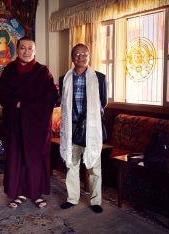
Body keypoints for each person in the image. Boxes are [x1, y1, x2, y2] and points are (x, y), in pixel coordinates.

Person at [0, 36, 59, 209]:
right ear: (17, 50)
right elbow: (3, 95)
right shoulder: (9, 71)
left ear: (35, 50)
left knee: (35, 158)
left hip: (37, 125)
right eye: (23, 48)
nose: (26, 51)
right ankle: (19, 193)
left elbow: (50, 98)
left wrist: (22, 104)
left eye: (30, 48)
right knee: (17, 158)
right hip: (16, 123)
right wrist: (15, 104)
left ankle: (36, 193)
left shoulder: (43, 72)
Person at [59, 43, 107, 213]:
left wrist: (91, 117)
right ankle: (72, 198)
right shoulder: (63, 78)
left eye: (84, 54)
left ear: (89, 56)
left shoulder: (99, 78)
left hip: (91, 128)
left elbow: (103, 103)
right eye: (77, 54)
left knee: (94, 165)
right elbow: (63, 104)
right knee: (72, 163)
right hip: (71, 127)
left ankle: (96, 201)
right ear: (72, 58)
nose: (81, 57)